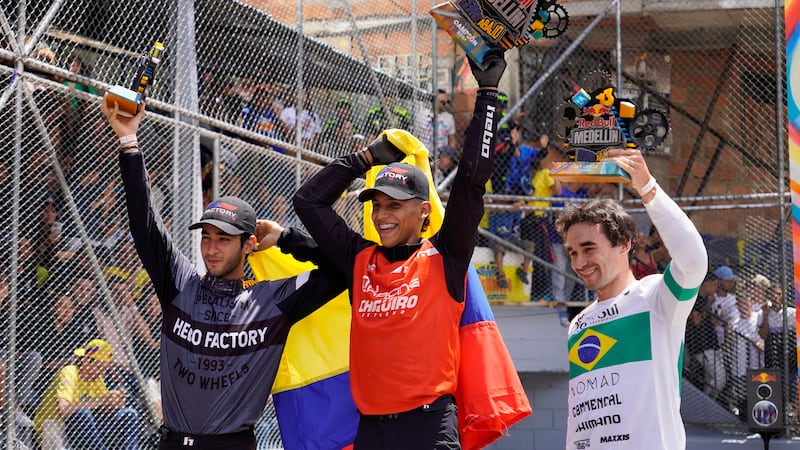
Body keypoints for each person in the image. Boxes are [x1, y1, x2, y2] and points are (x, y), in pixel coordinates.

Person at [101, 94, 347, 450]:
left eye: (224, 239)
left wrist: (286, 238)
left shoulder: (273, 300)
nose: (211, 249)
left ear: (249, 244)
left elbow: (343, 267)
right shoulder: (180, 284)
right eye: (207, 237)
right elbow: (145, 225)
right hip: (172, 442)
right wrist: (128, 141)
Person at [293, 48, 506, 449]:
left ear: (424, 211)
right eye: (376, 204)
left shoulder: (447, 257)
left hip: (428, 427)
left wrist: (489, 92)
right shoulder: (360, 260)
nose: (381, 215)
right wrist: (364, 159)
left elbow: (472, 180)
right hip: (371, 429)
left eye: (394, 204)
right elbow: (308, 201)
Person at [558, 148, 708, 449]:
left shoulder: (655, 298)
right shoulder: (579, 323)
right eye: (573, 253)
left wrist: (648, 187)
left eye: (589, 249)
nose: (579, 262)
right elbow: (580, 416)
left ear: (625, 244)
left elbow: (693, 261)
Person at [33, 338, 139, 450]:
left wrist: (114, 404)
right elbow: (63, 410)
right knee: (83, 414)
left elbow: (103, 409)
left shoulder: (97, 379)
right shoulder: (69, 372)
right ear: (86, 361)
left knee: (129, 413)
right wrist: (101, 401)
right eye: (99, 368)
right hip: (55, 428)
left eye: (105, 369)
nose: (102, 374)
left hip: (83, 433)